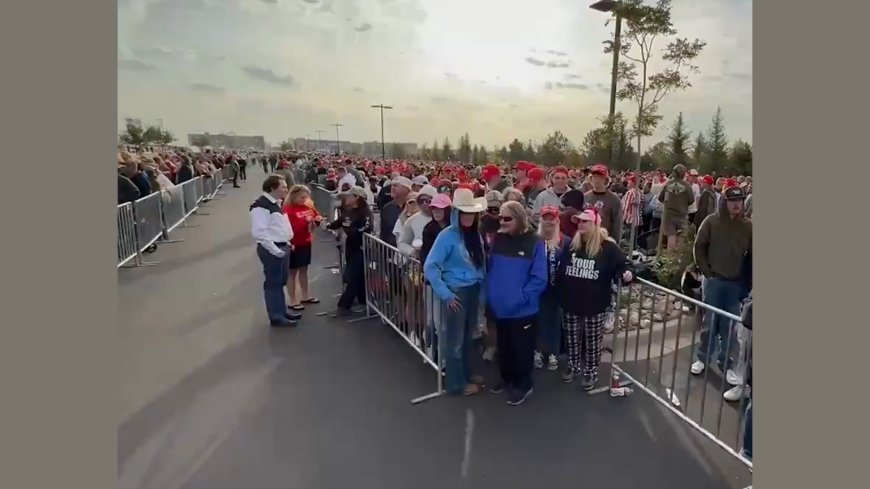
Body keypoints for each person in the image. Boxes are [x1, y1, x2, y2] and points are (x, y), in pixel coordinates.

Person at [556, 209, 633, 390]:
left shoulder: (607, 247)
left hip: (595, 303)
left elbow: (623, 264)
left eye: (585, 221)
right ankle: (573, 366)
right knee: (572, 338)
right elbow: (561, 269)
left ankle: (591, 371)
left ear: (595, 224)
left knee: (592, 340)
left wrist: (627, 273)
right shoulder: (572, 244)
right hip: (571, 301)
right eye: (579, 222)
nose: (581, 225)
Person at [423, 188, 488, 396]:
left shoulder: (474, 234)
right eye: (464, 212)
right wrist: (446, 294)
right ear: (456, 213)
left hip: (473, 289)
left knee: (469, 336)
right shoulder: (446, 236)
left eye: (471, 212)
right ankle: (455, 383)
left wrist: (482, 292)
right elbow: (430, 266)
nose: (468, 216)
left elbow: (480, 265)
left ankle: (466, 373)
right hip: (457, 291)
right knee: (456, 340)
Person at [485, 201, 548, 406]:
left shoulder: (535, 242)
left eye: (507, 218)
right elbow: (491, 269)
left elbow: (539, 278)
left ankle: (523, 385)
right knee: (505, 347)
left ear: (519, 218)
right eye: (500, 218)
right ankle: (507, 378)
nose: (502, 222)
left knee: (522, 349)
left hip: (523, 310)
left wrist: (521, 298)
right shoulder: (498, 239)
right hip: (500, 308)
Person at [691, 186, 752, 381]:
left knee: (730, 326)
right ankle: (702, 358)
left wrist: (747, 283)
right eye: (733, 200)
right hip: (714, 280)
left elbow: (752, 256)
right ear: (724, 202)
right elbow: (699, 247)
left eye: (740, 200)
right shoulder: (711, 222)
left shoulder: (748, 226)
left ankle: (727, 364)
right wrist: (707, 273)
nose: (737, 204)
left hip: (735, 283)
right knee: (709, 322)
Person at [250, 175, 302, 327]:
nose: (286, 189)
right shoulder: (261, 206)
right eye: (283, 187)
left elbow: (278, 227)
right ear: (272, 187)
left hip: (282, 245)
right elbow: (260, 233)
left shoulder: (276, 203)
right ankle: (276, 315)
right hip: (272, 249)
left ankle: (282, 311)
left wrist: (286, 242)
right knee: (274, 283)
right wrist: (275, 250)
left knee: (281, 281)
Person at [534, 205, 571, 372]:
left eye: (552, 218)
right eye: (545, 218)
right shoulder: (534, 241)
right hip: (537, 290)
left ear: (557, 220)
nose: (549, 222)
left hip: (557, 289)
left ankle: (553, 352)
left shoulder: (565, 241)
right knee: (538, 320)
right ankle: (538, 350)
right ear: (541, 220)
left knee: (555, 321)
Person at [327, 186, 374, 316]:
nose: (345, 198)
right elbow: (340, 222)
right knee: (358, 276)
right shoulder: (348, 211)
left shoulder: (365, 212)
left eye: (348, 196)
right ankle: (363, 301)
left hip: (361, 247)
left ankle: (344, 305)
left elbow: (367, 228)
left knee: (351, 276)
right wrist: (328, 225)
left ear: (356, 197)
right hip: (350, 247)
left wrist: (351, 233)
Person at [283, 185, 322, 311]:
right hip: (293, 243)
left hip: (306, 242)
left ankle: (305, 295)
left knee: (304, 270)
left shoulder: (308, 205)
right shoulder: (287, 210)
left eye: (306, 197)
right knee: (292, 272)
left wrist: (317, 219)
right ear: (293, 196)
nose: (304, 199)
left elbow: (316, 216)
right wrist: (305, 221)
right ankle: (293, 299)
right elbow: (286, 229)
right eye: (302, 197)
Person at [657, 164, 694, 250]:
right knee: (681, 236)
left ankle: (670, 258)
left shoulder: (667, 184)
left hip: (669, 215)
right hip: (682, 214)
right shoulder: (687, 186)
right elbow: (691, 200)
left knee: (671, 236)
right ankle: (678, 257)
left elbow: (660, 198)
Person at [583, 164, 622, 242]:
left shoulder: (614, 199)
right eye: (595, 176)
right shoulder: (585, 197)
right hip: (586, 240)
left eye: (600, 177)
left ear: (606, 180)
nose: (597, 180)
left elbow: (617, 224)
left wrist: (615, 243)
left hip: (604, 241)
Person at [398, 185, 438, 258]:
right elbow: (402, 243)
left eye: (428, 201)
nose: (425, 203)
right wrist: (412, 252)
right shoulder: (412, 220)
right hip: (419, 262)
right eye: (421, 201)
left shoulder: (441, 217)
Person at [379, 176, 412, 247]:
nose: (392, 188)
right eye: (392, 186)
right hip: (390, 250)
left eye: (396, 186)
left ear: (406, 189)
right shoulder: (387, 207)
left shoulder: (413, 207)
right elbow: (384, 232)